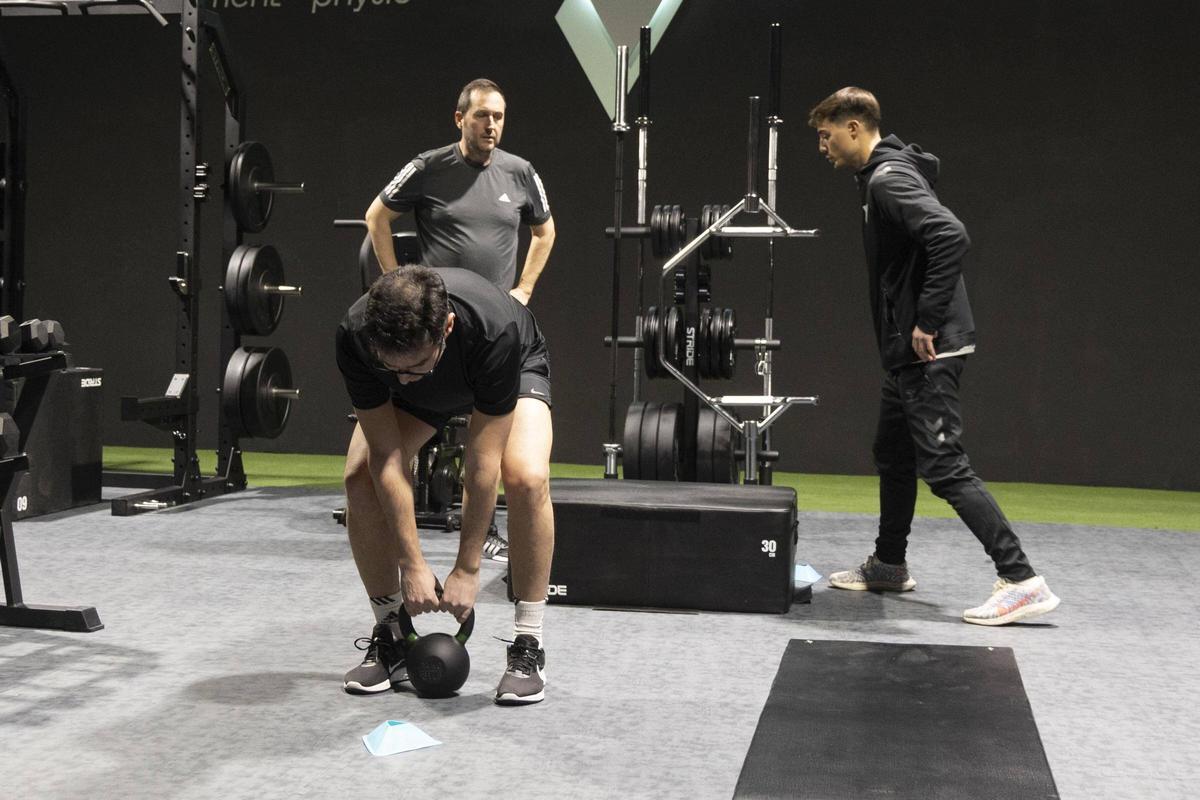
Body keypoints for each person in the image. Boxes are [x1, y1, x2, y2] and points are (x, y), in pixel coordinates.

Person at [808, 87, 1060, 626]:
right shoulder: (882, 175)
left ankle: (1021, 580)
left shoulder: (887, 178)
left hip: (928, 347)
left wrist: (925, 320)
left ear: (854, 128)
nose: (822, 147)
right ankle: (890, 565)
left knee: (943, 466)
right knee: (893, 454)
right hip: (907, 350)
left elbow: (951, 234)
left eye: (826, 136)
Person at [336, 266, 554, 704]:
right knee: (359, 479)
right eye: (390, 367)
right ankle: (393, 633)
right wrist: (412, 564)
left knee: (526, 478)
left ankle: (528, 643)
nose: (401, 378)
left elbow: (481, 463)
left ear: (447, 327)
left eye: (412, 366)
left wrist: (467, 568)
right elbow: (388, 457)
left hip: (504, 366)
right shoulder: (357, 335)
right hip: (424, 390)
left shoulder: (497, 330)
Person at [363, 77, 555, 562]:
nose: (492, 125)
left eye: (499, 117)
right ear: (460, 119)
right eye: (482, 116)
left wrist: (525, 289)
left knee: (494, 450)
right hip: (440, 328)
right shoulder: (429, 167)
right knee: (380, 455)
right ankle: (397, 533)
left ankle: (486, 533)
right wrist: (396, 286)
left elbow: (545, 232)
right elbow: (376, 217)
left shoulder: (520, 171)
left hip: (496, 330)